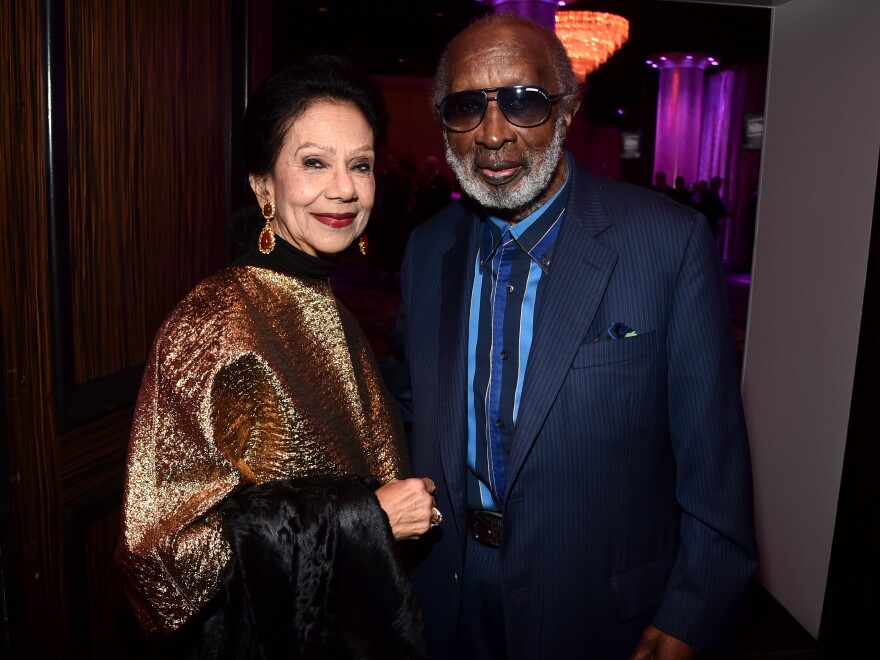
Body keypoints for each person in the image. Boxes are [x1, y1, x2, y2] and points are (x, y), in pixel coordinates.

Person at [383, 13, 758, 660]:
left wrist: (692, 614)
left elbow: (714, 462)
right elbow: (405, 406)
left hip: (599, 613)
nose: (493, 133)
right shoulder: (427, 249)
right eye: (467, 107)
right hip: (446, 598)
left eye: (523, 102)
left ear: (568, 110)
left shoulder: (668, 244)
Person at [115, 54, 437, 659]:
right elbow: (158, 566)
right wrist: (360, 522)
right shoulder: (214, 324)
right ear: (263, 185)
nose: (343, 187)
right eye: (314, 162)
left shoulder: (323, 301)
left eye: (360, 165)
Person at [697, 175, 730, 240]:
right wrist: (726, 213)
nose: (720, 187)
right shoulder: (713, 194)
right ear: (716, 184)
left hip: (705, 222)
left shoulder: (706, 193)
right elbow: (718, 208)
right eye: (719, 185)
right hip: (711, 223)